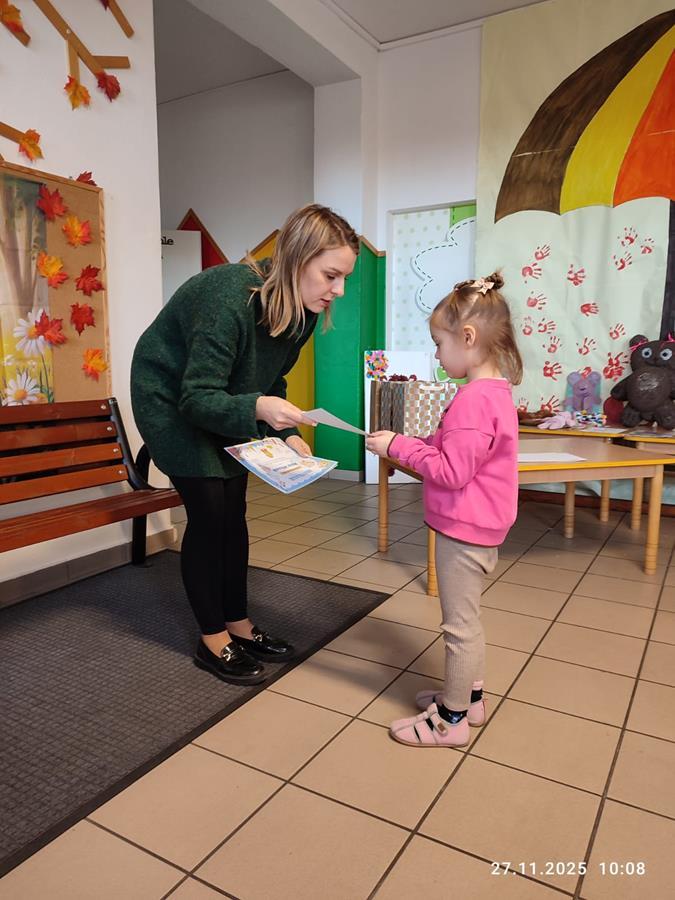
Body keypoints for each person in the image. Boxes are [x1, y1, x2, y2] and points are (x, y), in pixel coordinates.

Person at [131, 204, 359, 685]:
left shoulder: (304, 312)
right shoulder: (227, 295)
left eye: (343, 278)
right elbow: (195, 397)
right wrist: (258, 408)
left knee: (233, 512)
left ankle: (238, 623)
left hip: (222, 397)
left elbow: (270, 380)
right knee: (210, 513)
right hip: (170, 401)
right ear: (297, 259)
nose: (338, 290)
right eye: (331, 275)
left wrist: (287, 433)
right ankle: (212, 638)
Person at [366, 273, 522, 747]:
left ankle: (451, 720)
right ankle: (470, 699)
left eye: (439, 343)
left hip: (464, 530)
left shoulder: (474, 401)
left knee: (459, 627)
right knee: (468, 620)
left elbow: (452, 471)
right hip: (479, 525)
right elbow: (447, 447)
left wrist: (397, 448)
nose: (436, 355)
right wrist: (407, 442)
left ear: (468, 338)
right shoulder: (493, 393)